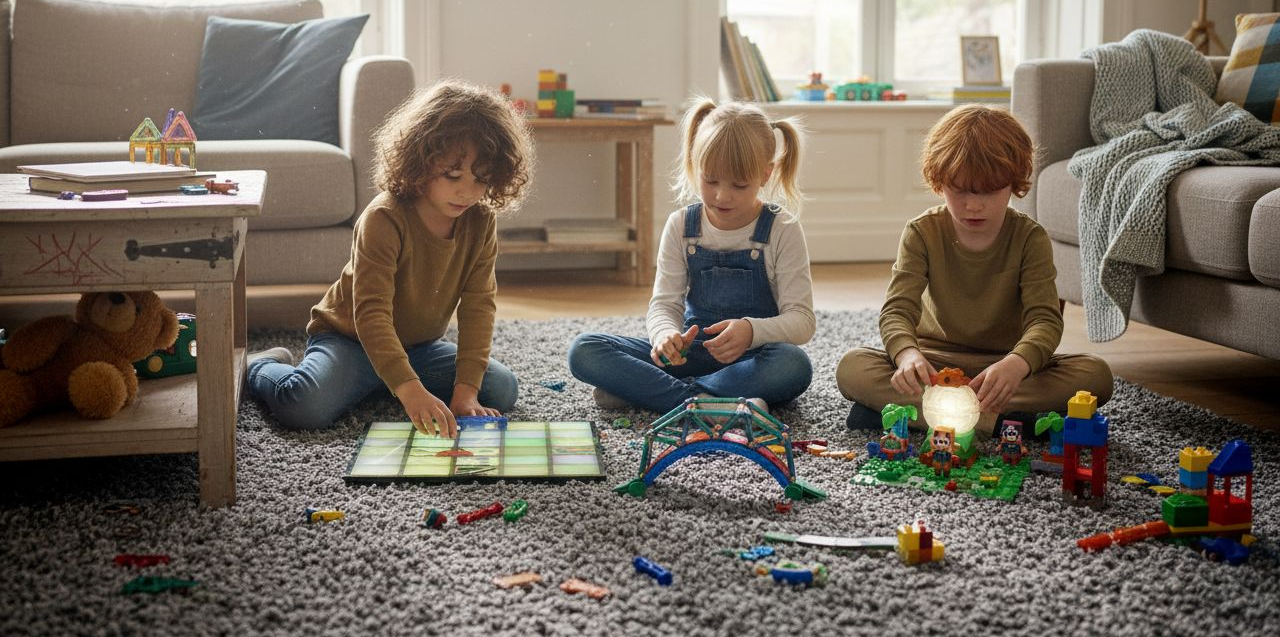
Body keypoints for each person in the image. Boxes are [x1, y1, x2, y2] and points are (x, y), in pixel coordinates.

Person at [246, 80, 534, 435]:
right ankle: (261, 366)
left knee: (500, 388)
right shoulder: (384, 218)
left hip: (420, 347)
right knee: (303, 407)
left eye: (481, 179)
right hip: (350, 341)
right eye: (453, 175)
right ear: (421, 160)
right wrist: (411, 392)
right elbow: (371, 314)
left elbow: (479, 305)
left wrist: (465, 394)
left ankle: (390, 381)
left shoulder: (480, 220)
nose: (467, 191)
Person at [836, 105, 1113, 436]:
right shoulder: (922, 231)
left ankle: (913, 414)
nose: (973, 205)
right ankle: (997, 422)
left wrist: (1018, 363)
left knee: (1096, 375)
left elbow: (1045, 319)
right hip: (934, 363)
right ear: (939, 181)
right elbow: (897, 310)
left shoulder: (1030, 238)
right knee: (852, 367)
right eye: (961, 189)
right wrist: (908, 355)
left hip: (1001, 367)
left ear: (1014, 183)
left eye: (989, 191)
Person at [567, 98, 815, 414]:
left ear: (765, 175)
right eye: (710, 180)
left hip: (752, 358)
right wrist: (665, 335)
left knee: (793, 365)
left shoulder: (783, 229)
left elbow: (802, 321)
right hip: (687, 356)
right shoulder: (682, 225)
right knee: (585, 349)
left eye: (739, 185)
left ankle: (658, 394)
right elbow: (664, 304)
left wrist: (751, 330)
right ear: (694, 164)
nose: (722, 195)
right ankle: (707, 401)